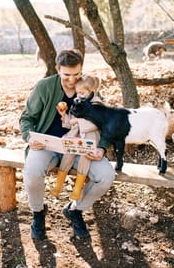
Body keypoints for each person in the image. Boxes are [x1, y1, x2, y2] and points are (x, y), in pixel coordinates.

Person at [19, 49, 115, 240]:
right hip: (48, 146)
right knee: (32, 173)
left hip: (81, 149)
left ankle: (75, 210)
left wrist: (102, 147)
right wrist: (30, 138)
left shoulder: (90, 88)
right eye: (67, 75)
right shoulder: (44, 87)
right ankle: (38, 213)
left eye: (76, 74)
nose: (72, 80)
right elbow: (27, 118)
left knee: (106, 176)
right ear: (57, 69)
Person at [50, 75, 103, 200]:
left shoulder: (97, 104)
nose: (78, 95)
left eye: (82, 92)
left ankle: (77, 189)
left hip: (89, 138)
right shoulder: (78, 102)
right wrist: (64, 116)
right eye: (77, 92)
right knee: (67, 156)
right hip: (76, 137)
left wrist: (79, 121)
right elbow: (71, 123)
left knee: (85, 159)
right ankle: (58, 185)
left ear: (91, 92)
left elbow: (96, 122)